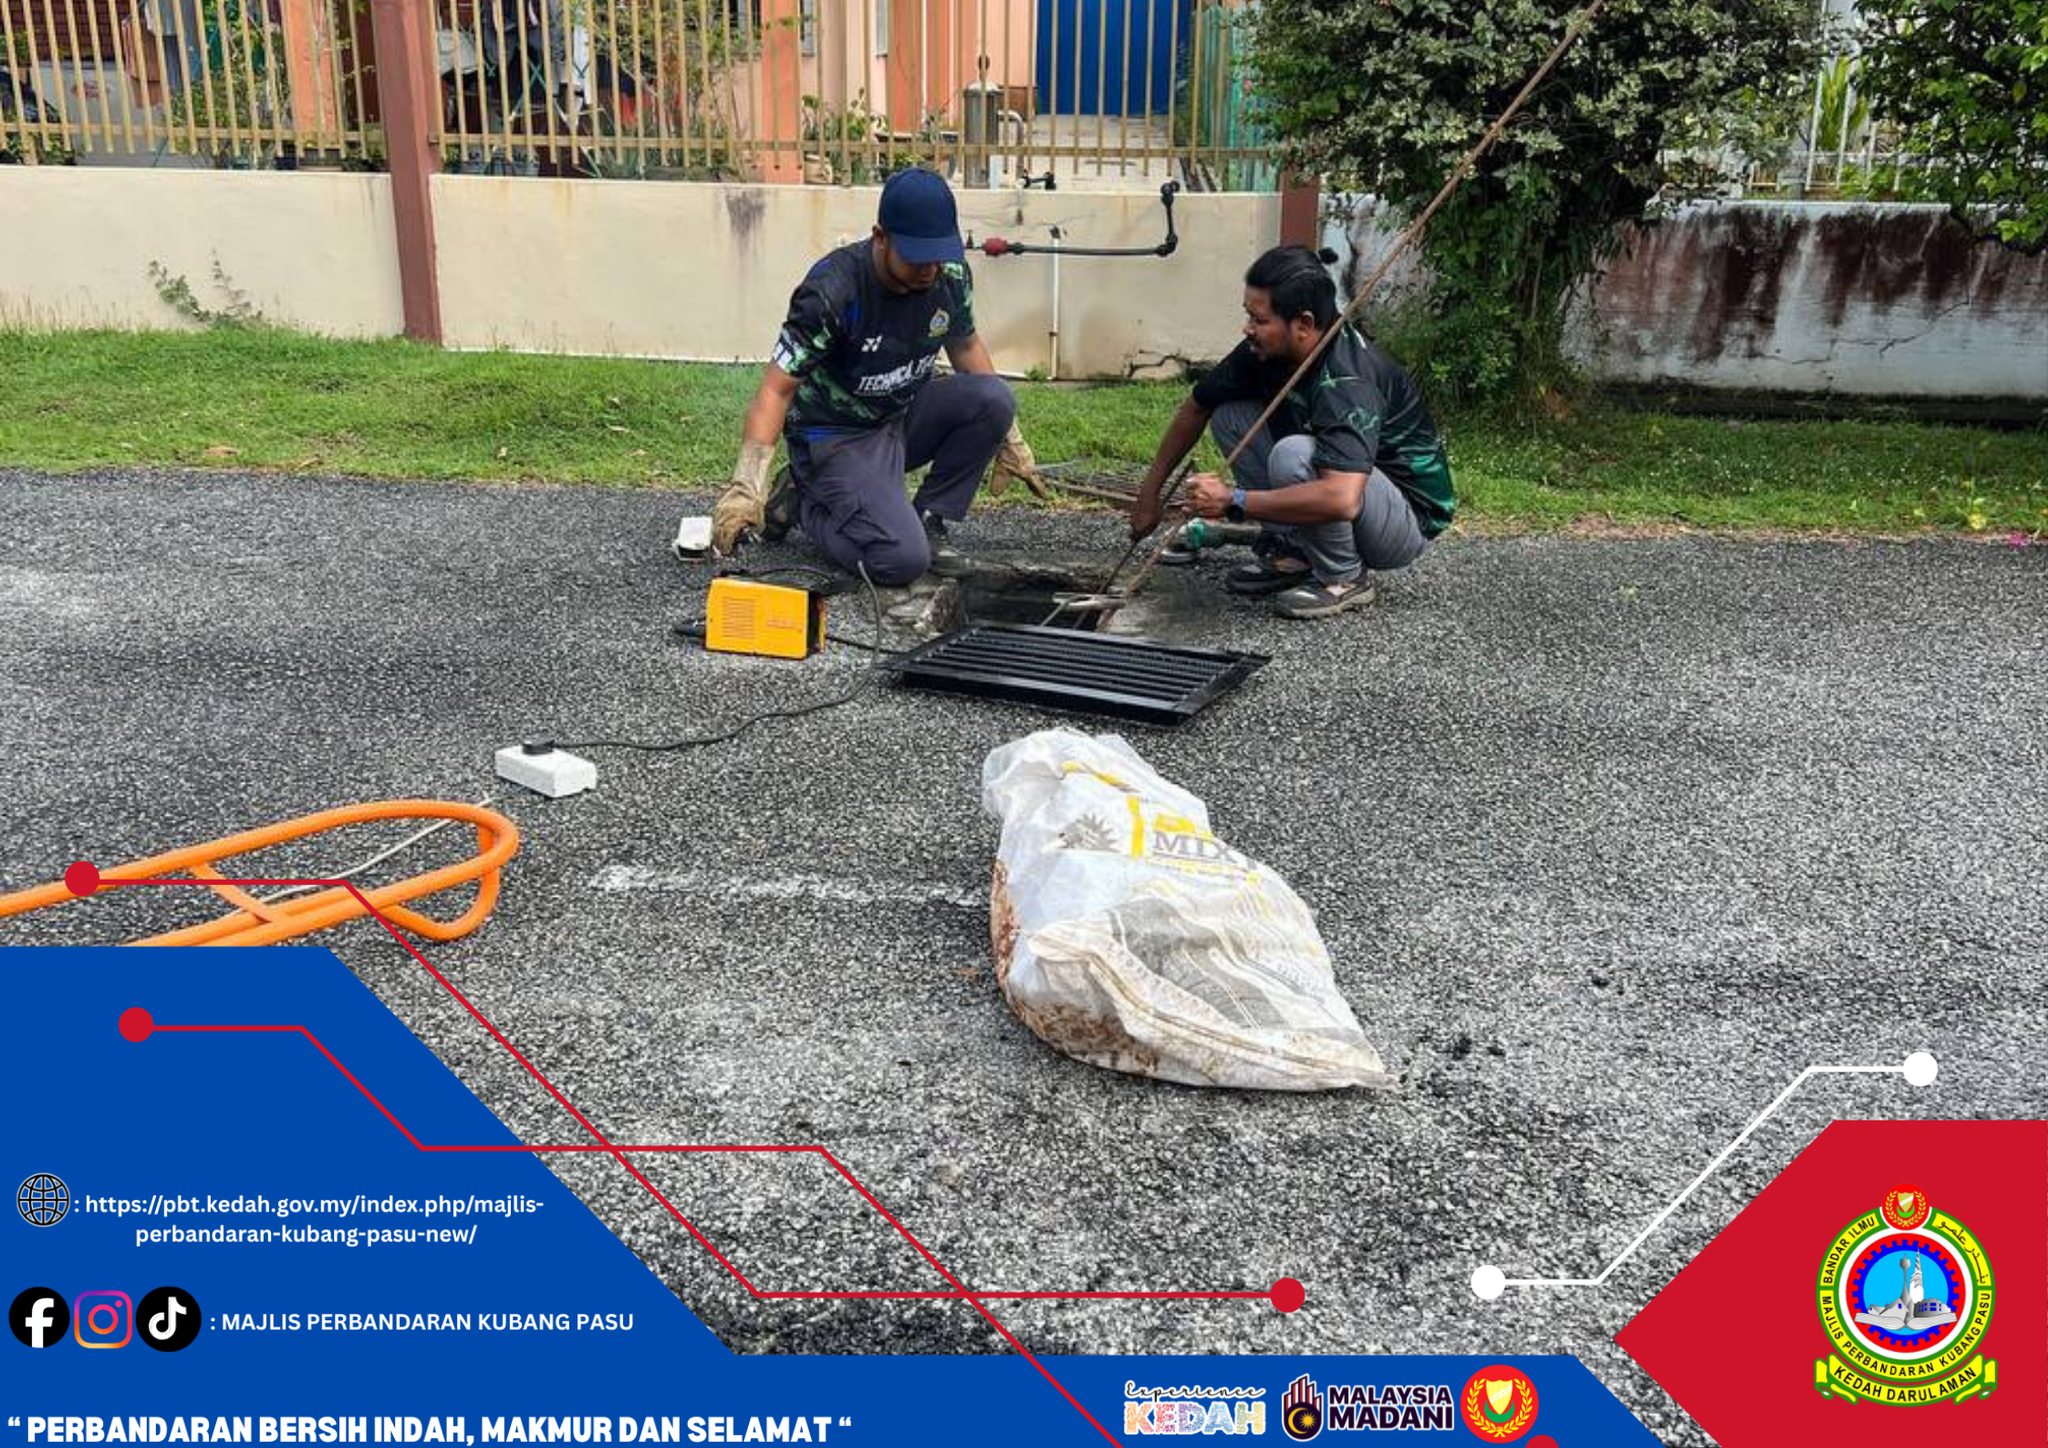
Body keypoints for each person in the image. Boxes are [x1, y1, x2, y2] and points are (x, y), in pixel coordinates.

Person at [708, 168, 1043, 584]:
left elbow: (966, 347)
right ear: (880, 237)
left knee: (994, 399)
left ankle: (929, 519)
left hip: (901, 416)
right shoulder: (832, 291)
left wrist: (1009, 437)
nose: (930, 269)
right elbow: (777, 389)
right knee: (900, 561)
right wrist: (746, 487)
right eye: (917, 257)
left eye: (937, 255)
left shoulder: (950, 276)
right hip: (837, 437)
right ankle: (804, 503)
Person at [1130, 245, 1456, 620]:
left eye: (1259, 320)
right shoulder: (1265, 350)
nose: (1247, 328)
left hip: (1404, 522)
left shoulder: (1347, 380)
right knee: (1230, 416)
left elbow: (1341, 499)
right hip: (1352, 489)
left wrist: (1234, 500)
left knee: (1295, 454)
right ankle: (1295, 550)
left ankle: (1343, 576)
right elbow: (1197, 406)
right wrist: (1149, 494)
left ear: (1303, 324)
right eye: (1248, 315)